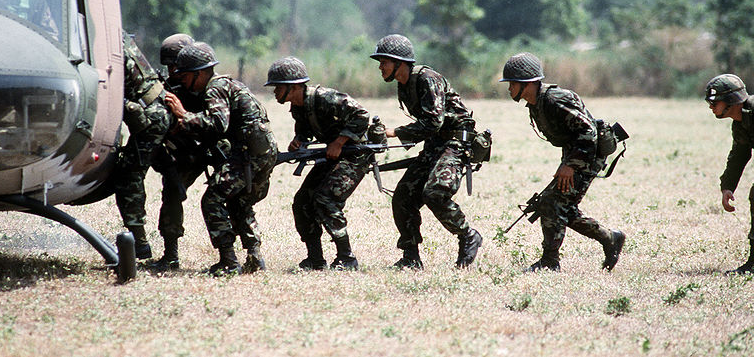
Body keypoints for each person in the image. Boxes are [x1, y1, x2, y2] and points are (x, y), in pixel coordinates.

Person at [500, 52, 625, 272]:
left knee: (552, 203)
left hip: (588, 154)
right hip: (575, 153)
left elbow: (588, 131)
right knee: (560, 206)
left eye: (512, 83)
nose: (509, 88)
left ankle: (550, 262)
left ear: (527, 83)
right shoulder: (536, 102)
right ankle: (610, 238)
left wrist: (571, 165)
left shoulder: (554, 99)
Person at [370, 34, 482, 269]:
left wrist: (393, 132)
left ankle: (468, 236)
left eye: (384, 62)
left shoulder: (426, 78)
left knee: (435, 192)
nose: (380, 67)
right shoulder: (403, 85)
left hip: (455, 144)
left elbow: (433, 123)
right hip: (435, 144)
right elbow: (428, 128)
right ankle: (411, 258)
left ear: (399, 63)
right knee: (403, 197)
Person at [165, 42, 277, 275]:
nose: (182, 80)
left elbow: (218, 123)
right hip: (261, 152)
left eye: (184, 75)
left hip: (248, 154)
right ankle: (255, 257)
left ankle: (229, 261)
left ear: (198, 74)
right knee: (238, 201)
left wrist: (183, 116)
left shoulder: (214, 88)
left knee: (212, 200)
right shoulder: (227, 84)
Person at [265, 56, 370, 270]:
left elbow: (361, 115)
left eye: (278, 87)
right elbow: (304, 130)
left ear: (293, 86)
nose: (274, 92)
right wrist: (299, 142)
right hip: (331, 154)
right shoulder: (298, 106)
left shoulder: (326, 98)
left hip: (355, 153)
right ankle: (315, 259)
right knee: (302, 201)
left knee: (325, 198)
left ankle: (347, 258)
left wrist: (339, 142)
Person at [147, 33, 206, 272]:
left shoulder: (207, 87)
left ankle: (236, 254)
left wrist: (183, 115)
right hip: (181, 152)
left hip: (208, 147)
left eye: (177, 65)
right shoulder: (168, 87)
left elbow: (215, 123)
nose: (173, 70)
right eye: (169, 66)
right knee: (171, 193)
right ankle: (171, 254)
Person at [113, 31, 173, 260]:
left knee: (128, 177)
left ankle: (139, 244)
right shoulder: (119, 38)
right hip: (154, 112)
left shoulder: (108, 43)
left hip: (150, 117)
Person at [705, 73, 754, 274]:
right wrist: (727, 187)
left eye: (715, 101)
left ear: (732, 100)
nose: (711, 106)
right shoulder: (741, 122)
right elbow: (739, 155)